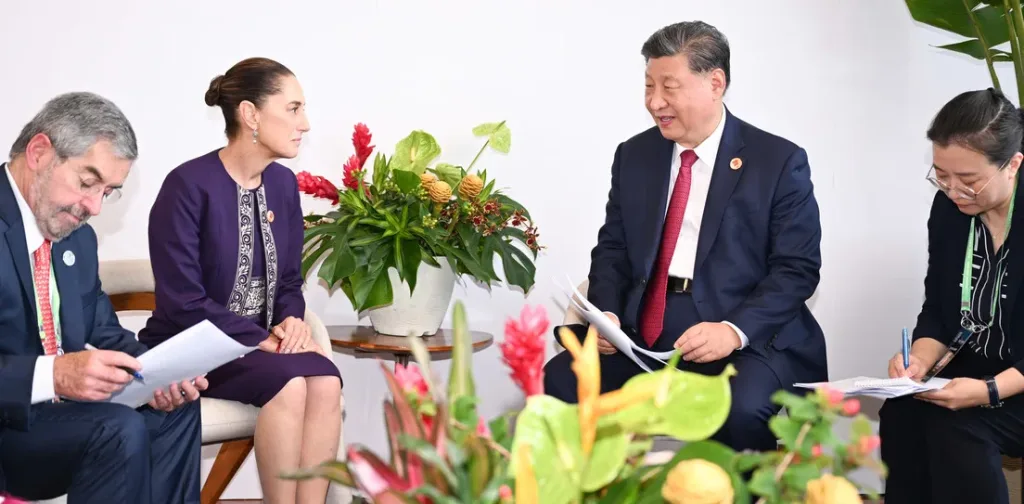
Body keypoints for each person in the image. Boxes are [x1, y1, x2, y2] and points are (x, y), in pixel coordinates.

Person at [543, 20, 827, 452]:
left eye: (669, 87)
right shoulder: (635, 155)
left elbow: (797, 269)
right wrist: (607, 316)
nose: (655, 102)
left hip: (741, 338)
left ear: (715, 83)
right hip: (643, 335)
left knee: (742, 410)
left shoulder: (778, 161)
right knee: (562, 379)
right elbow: (613, 250)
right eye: (648, 86)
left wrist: (733, 330)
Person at [139, 57, 343, 504]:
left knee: (326, 378)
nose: (304, 123)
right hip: (193, 346)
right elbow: (182, 302)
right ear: (250, 114)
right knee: (288, 383)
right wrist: (263, 339)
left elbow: (289, 280)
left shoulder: (284, 185)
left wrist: (291, 322)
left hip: (260, 348)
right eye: (292, 109)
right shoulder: (187, 185)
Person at [0, 92, 204, 502]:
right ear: (39, 152)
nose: (93, 206)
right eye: (87, 182)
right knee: (116, 429)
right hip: (9, 424)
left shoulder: (76, 238)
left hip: (55, 424)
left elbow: (105, 331)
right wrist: (54, 374)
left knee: (175, 411)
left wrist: (159, 376)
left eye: (108, 192)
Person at [879, 88, 1024, 504]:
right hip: (976, 366)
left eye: (969, 180)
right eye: (942, 175)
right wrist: (920, 358)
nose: (953, 190)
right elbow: (939, 309)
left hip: (1016, 378)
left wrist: (988, 391)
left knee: (959, 429)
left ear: (1013, 164)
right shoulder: (948, 210)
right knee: (902, 412)